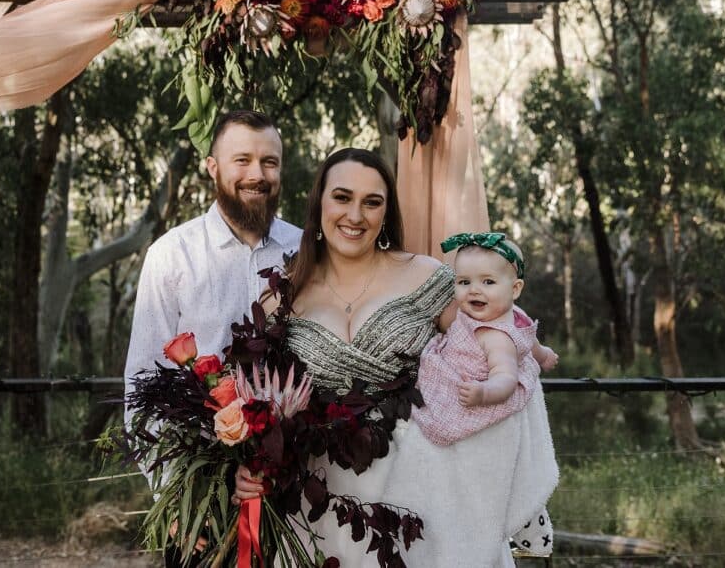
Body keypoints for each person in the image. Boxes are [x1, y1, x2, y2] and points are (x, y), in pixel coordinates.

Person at [234, 147, 458, 565]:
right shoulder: (281, 296)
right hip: (318, 509)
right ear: (319, 201)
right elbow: (255, 405)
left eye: (372, 202)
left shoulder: (430, 277)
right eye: (342, 197)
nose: (355, 215)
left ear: (386, 213)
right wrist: (246, 465)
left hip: (420, 506)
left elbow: (488, 351)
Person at [124, 110, 302, 567]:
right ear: (213, 166)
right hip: (200, 502)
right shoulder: (171, 255)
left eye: (269, 162)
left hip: (293, 498)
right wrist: (179, 499)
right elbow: (142, 386)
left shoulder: (306, 253)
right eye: (241, 159)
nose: (257, 175)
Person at [411, 232, 560, 559]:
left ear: (515, 288)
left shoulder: (497, 337)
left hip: (472, 395)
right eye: (464, 281)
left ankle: (519, 519)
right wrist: (544, 355)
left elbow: (507, 379)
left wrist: (483, 393)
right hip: (467, 374)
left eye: (488, 282)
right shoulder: (511, 316)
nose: (474, 290)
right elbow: (531, 343)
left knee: (441, 446)